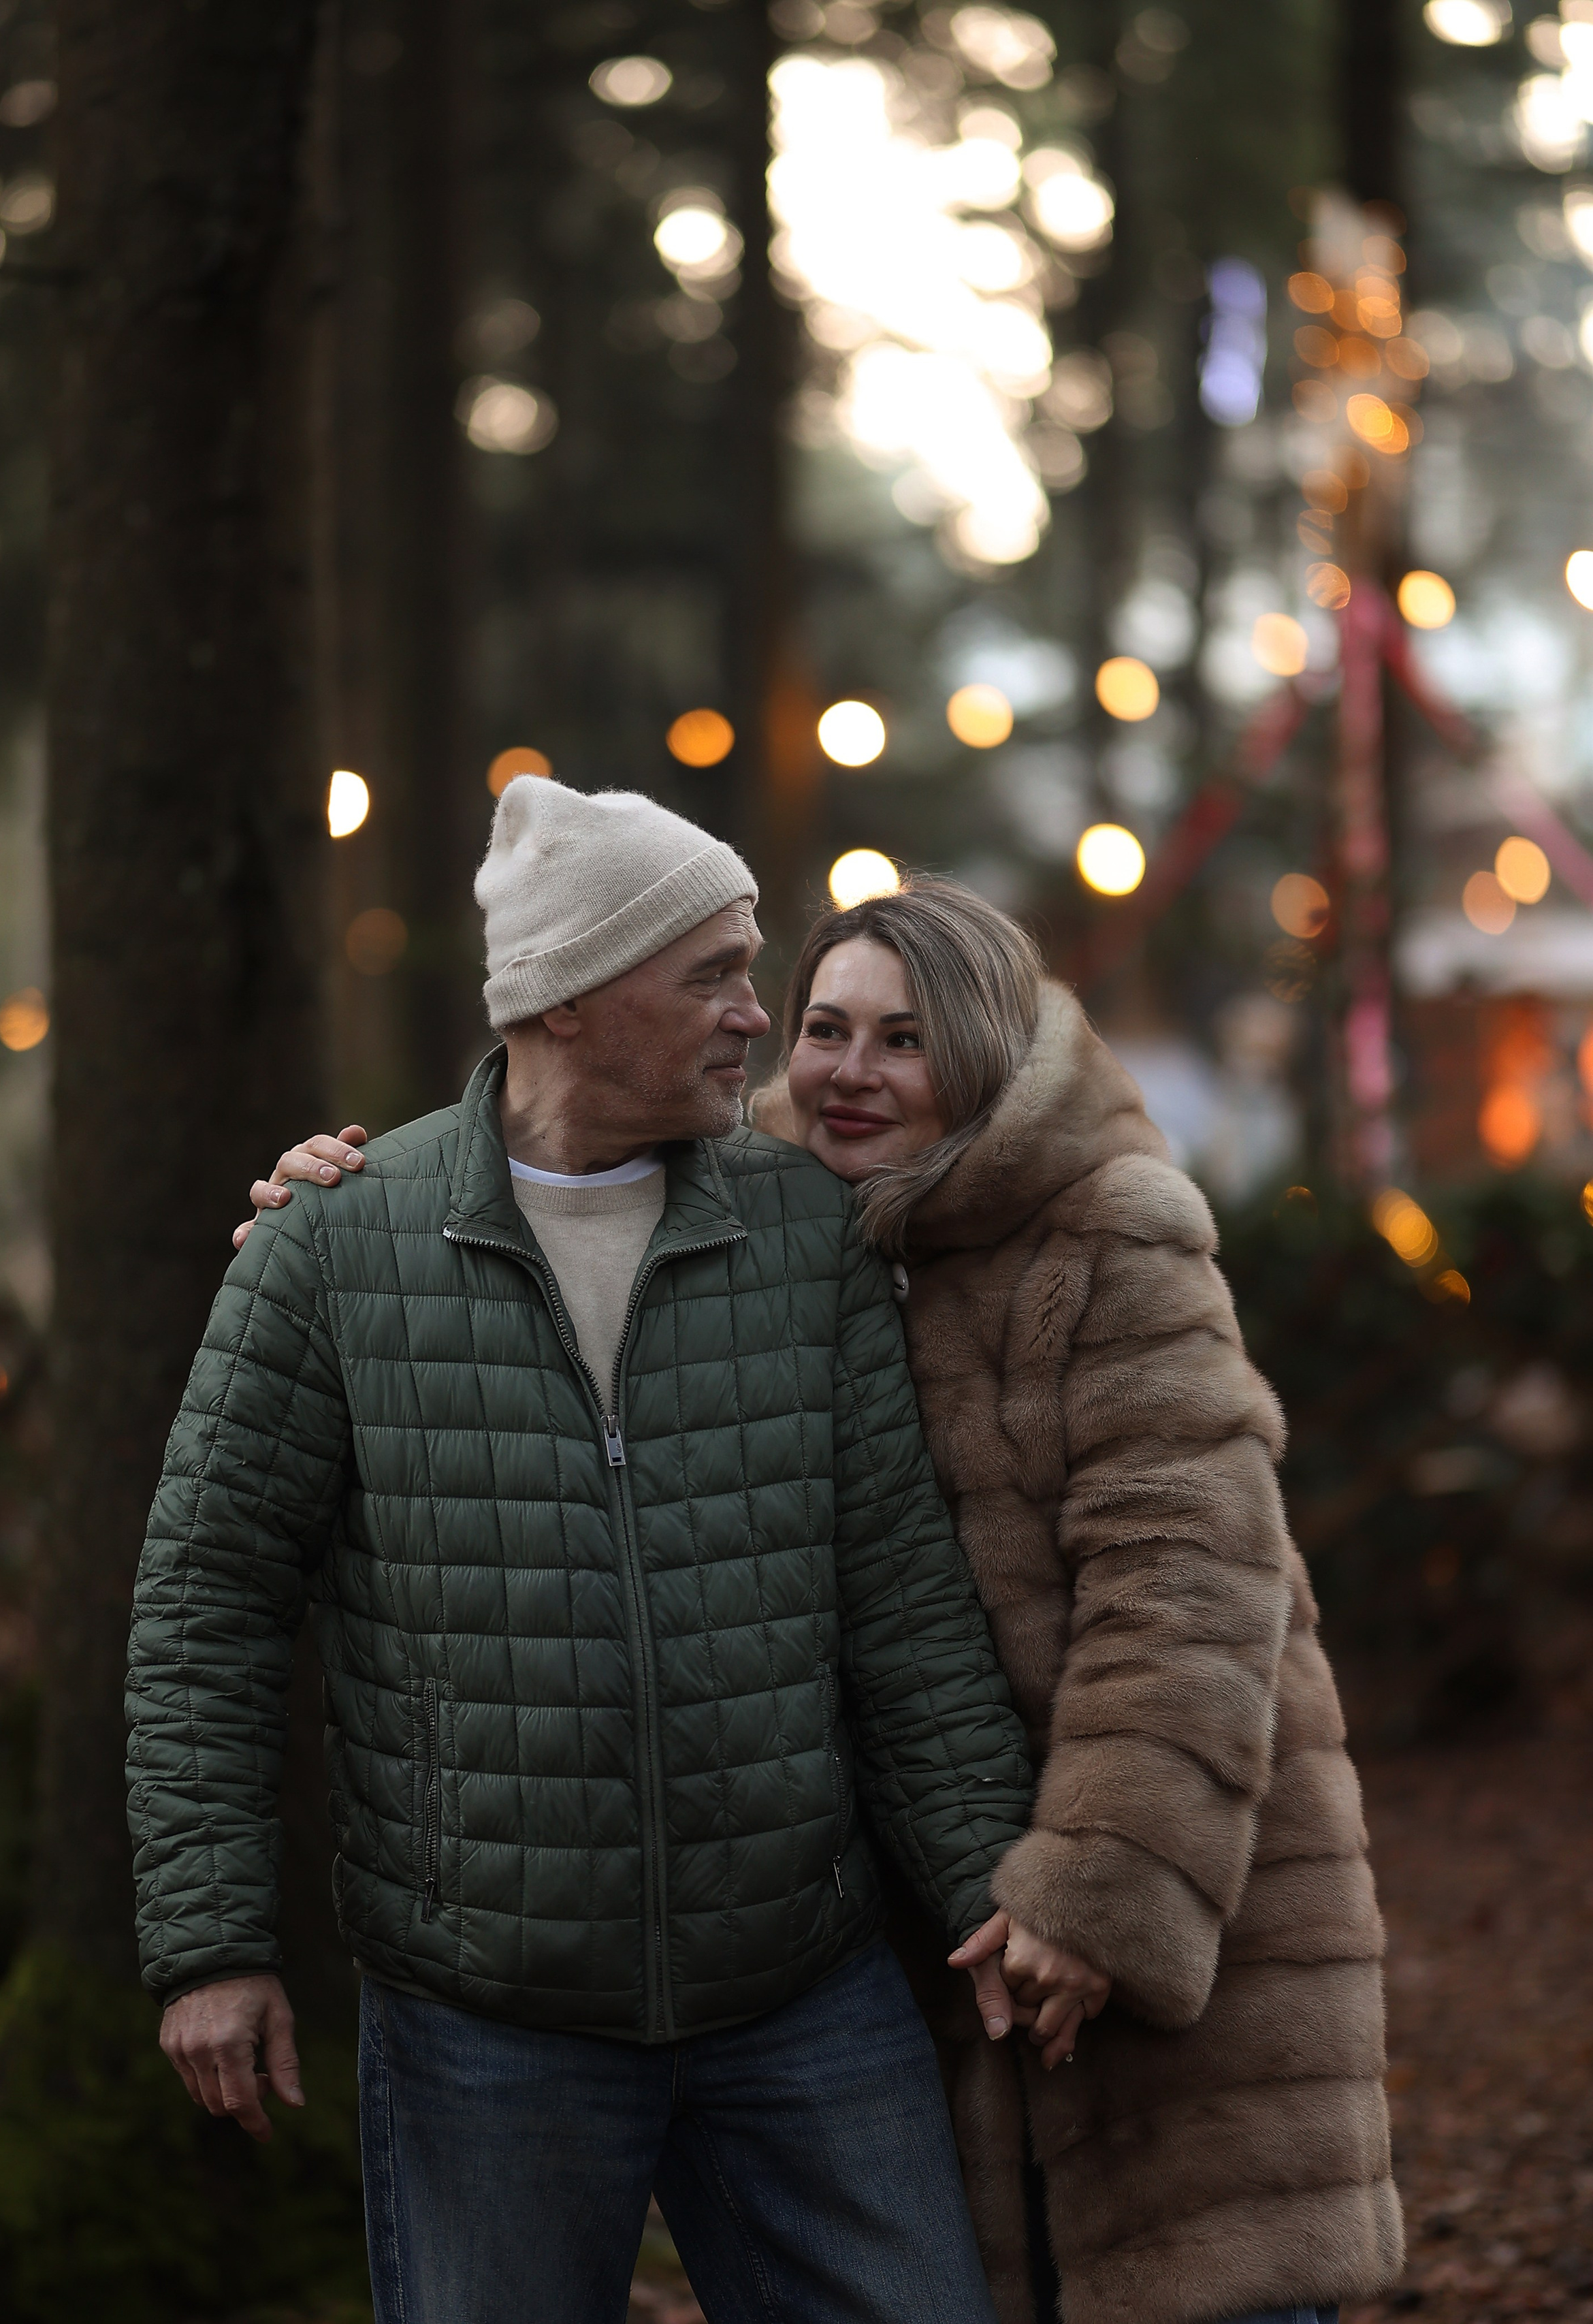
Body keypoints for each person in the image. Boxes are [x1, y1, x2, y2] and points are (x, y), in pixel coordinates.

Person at [261, 872, 1403, 2324]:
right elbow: (538, 1170)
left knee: (1192, 2282)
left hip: (1148, 1875)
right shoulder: (778, 1228)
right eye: (824, 1029)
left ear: (985, 1053)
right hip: (938, 1924)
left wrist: (1095, 1891)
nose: (850, 1073)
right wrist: (331, 1202)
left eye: (905, 1039)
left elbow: (1185, 1590)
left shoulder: (1106, 1236)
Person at [128, 782, 1082, 2324]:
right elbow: (205, 1610)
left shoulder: (803, 1238)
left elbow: (897, 1596)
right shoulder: (333, 1248)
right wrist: (209, 1945)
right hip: (482, 2018)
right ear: (568, 1000)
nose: (751, 1018)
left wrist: (991, 1879)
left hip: (799, 1989)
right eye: (711, 972)